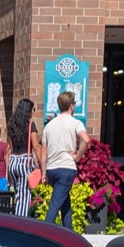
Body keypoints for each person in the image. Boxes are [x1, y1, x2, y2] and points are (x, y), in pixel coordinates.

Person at [41, 90, 90, 230]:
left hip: (51, 169)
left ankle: (69, 233)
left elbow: (44, 151)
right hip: (66, 168)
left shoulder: (49, 126)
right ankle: (43, 234)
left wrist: (44, 173)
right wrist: (77, 157)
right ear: (72, 106)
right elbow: (86, 140)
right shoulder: (75, 123)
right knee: (55, 205)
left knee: (64, 203)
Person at [6, 99, 43, 219]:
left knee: (18, 195)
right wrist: (42, 164)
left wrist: (7, 171)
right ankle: (20, 226)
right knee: (24, 197)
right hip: (24, 162)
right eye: (33, 109)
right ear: (28, 111)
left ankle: (17, 221)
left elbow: (8, 148)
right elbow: (36, 146)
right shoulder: (30, 125)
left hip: (12, 162)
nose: (34, 112)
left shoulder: (11, 125)